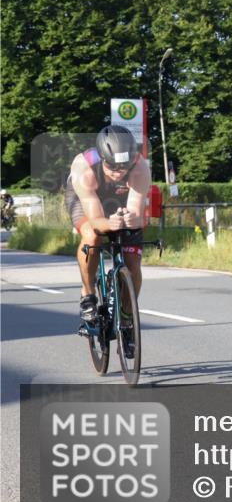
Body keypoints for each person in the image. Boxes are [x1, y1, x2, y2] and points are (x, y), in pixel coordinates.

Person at [64, 126, 151, 346]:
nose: (118, 172)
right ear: (102, 158)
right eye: (112, 166)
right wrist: (108, 224)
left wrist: (132, 219)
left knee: (133, 262)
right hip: (86, 198)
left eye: (124, 166)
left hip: (119, 196)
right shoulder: (84, 168)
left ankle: (128, 319)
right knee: (92, 237)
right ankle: (88, 294)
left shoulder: (140, 167)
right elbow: (95, 220)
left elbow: (137, 212)